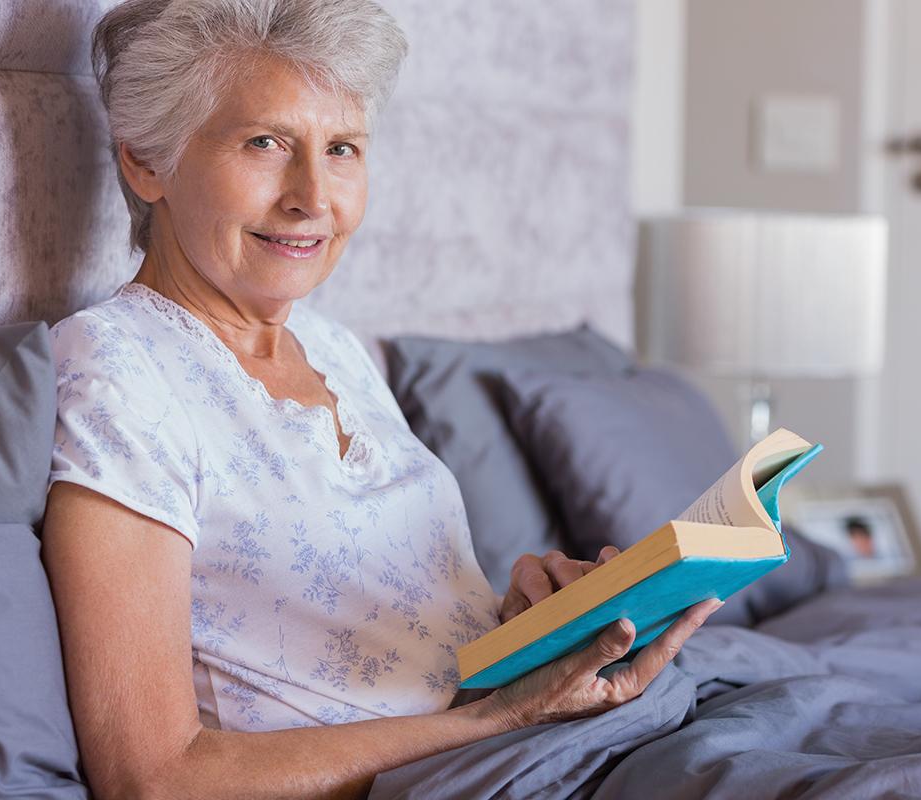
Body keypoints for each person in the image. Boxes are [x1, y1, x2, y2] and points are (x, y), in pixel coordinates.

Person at [38, 1, 722, 797]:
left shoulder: (333, 348)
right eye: (264, 143)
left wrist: (529, 627)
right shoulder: (120, 369)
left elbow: (406, 653)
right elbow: (151, 775)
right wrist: (502, 719)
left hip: (522, 748)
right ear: (146, 163)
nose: (312, 196)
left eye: (342, 149)